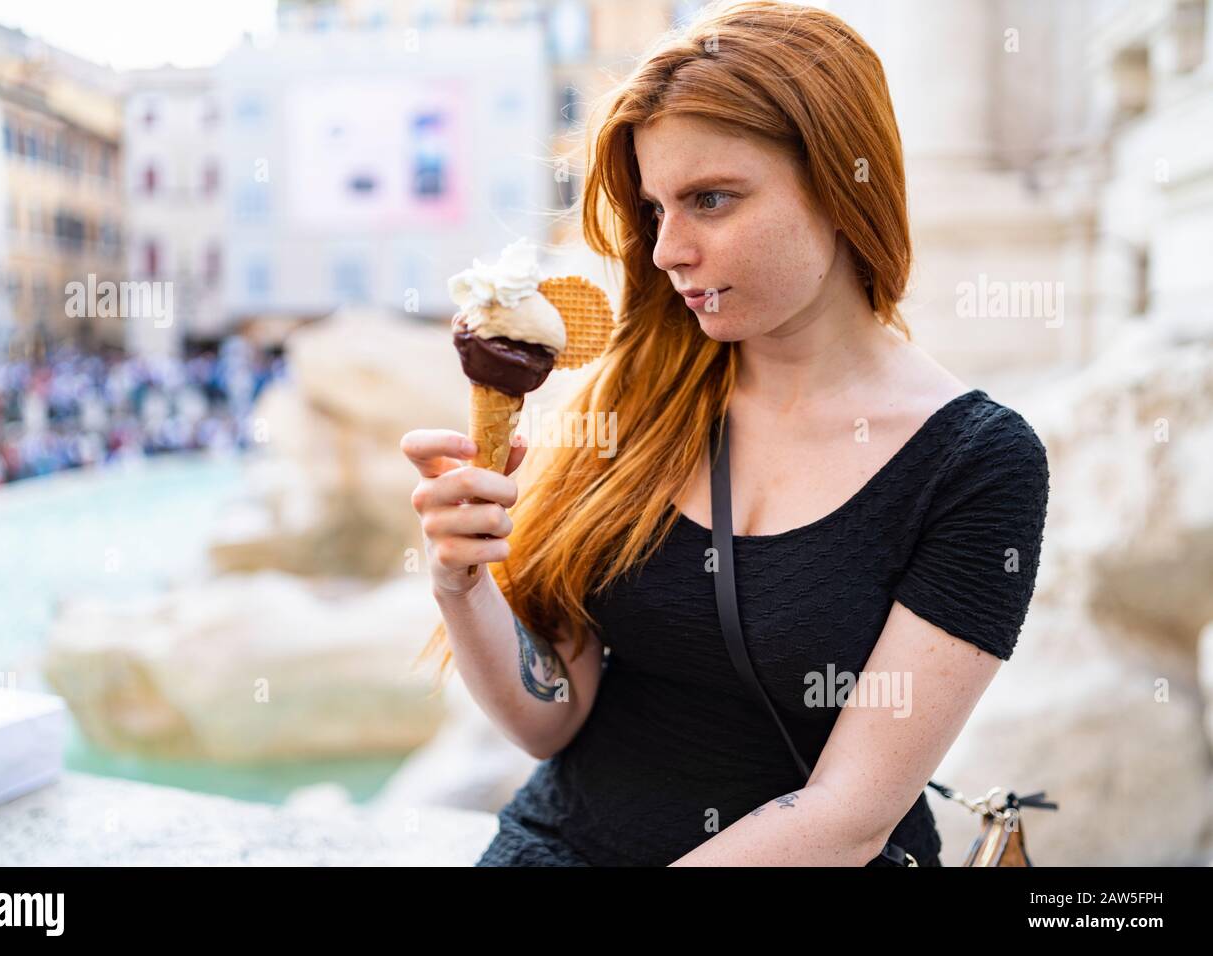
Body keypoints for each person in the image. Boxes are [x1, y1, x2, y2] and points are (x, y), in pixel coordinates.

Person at [401, 0, 1050, 866]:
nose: (668, 249)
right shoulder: (636, 397)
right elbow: (550, 720)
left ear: (841, 181)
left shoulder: (978, 465)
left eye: (711, 199)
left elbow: (847, 817)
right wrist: (461, 581)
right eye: (656, 209)